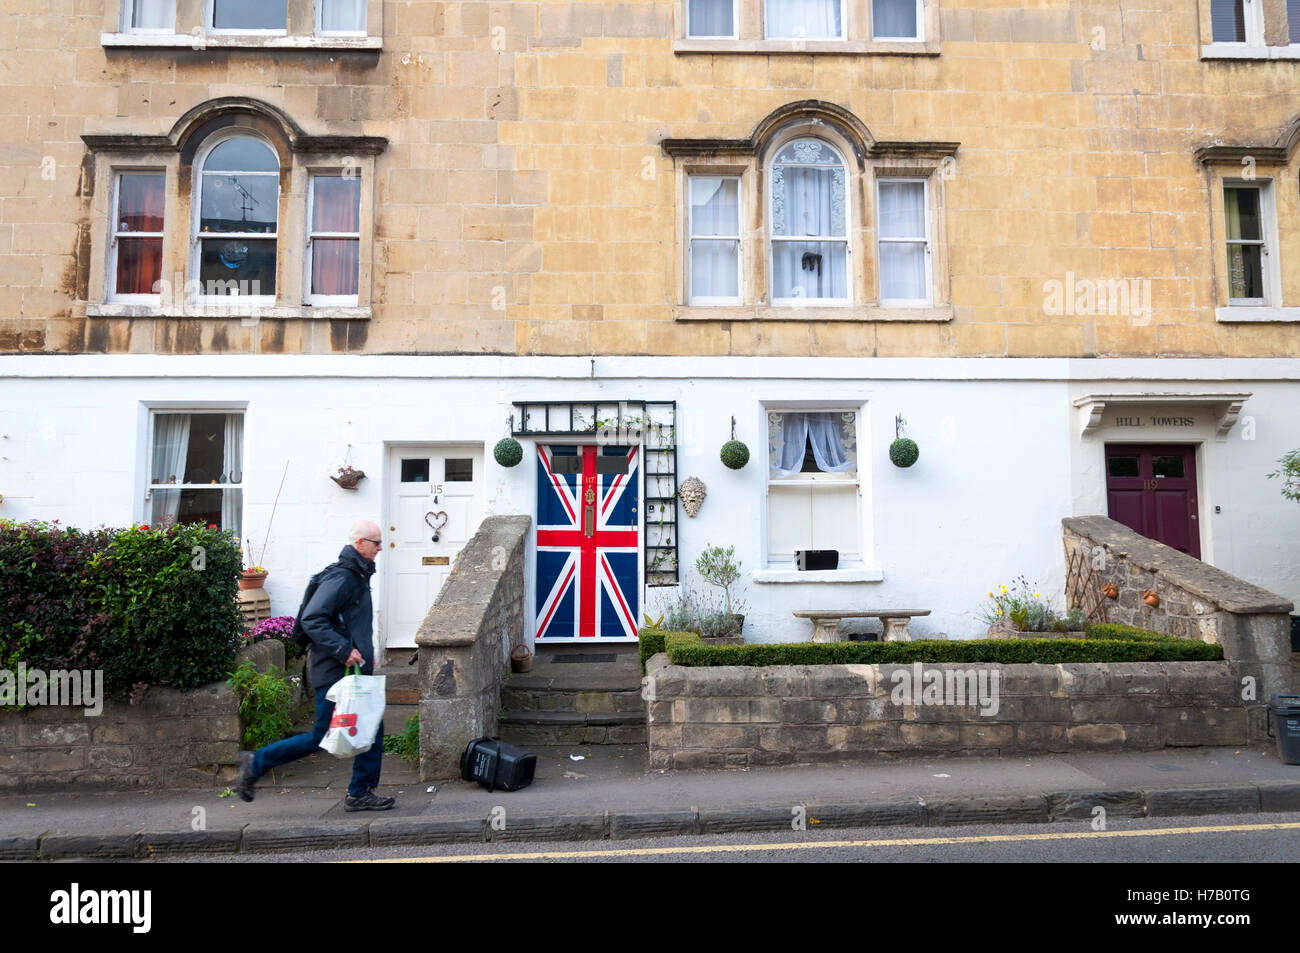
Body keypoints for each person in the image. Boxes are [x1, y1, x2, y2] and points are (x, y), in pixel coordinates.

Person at [235, 520, 394, 811]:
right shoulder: (343, 578)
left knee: (372, 727)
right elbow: (312, 618)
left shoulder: (357, 575)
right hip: (336, 673)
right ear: (359, 543)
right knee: (320, 737)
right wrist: (344, 650)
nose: (380, 547)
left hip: (350, 673)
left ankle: (360, 792)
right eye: (376, 542)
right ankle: (255, 762)